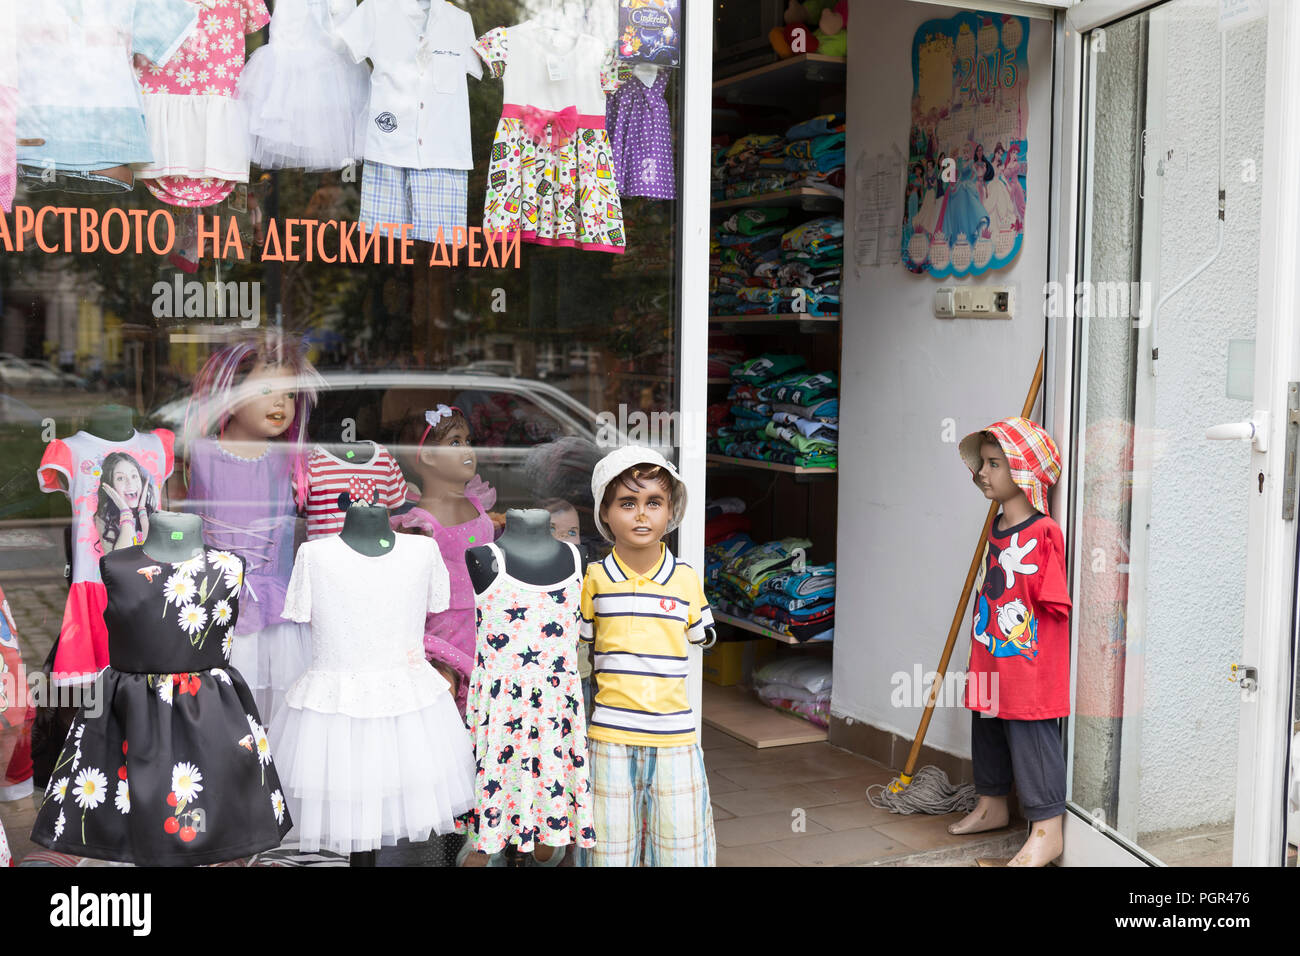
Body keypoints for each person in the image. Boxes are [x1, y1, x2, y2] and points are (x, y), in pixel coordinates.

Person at [580, 445, 716, 866]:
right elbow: (581, 644)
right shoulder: (595, 579)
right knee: (609, 846)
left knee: (680, 845)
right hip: (610, 734)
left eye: (653, 502)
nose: (641, 514)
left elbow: (703, 635)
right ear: (605, 513)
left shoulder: (687, 580)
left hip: (674, 735)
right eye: (627, 503)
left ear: (670, 509)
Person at [951, 418, 1070, 867]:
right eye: (982, 463)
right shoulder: (998, 524)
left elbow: (1054, 603)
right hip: (990, 648)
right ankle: (992, 802)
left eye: (995, 464)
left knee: (1028, 730)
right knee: (986, 721)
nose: (982, 472)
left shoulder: (1043, 534)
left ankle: (1046, 829)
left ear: (1024, 474)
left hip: (1027, 660)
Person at [94, 452, 158, 552]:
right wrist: (125, 512)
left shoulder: (150, 508)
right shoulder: (104, 516)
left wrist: (142, 511)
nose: (130, 483)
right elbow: (119, 561)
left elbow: (154, 551)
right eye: (120, 478)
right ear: (111, 485)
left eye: (134, 476)